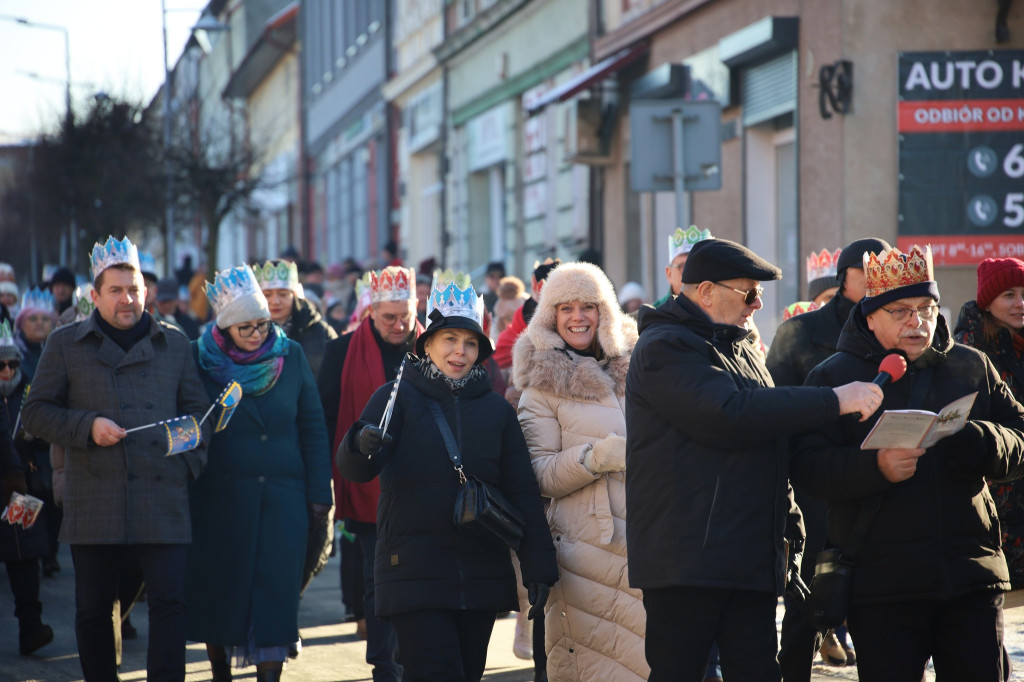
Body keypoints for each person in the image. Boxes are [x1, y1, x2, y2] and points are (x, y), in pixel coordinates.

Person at [624, 237, 881, 681]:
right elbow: (729, 415)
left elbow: (770, 439)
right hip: (688, 563)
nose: (758, 304)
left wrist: (791, 525)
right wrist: (833, 400)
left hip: (747, 558)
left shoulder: (740, 346)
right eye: (748, 292)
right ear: (705, 291)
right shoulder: (664, 347)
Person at [790, 244, 1024, 680]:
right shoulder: (832, 378)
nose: (918, 322)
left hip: (970, 575)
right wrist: (874, 469)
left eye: (926, 307)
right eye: (900, 311)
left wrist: (977, 439)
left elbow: (1020, 438)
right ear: (871, 314)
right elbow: (807, 468)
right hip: (882, 587)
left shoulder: (971, 366)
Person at [337, 271, 558, 682]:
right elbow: (354, 469)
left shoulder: (497, 412)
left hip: (480, 575)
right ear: (428, 344)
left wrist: (538, 567)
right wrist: (360, 442)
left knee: (468, 674)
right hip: (412, 573)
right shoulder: (394, 396)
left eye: (470, 342)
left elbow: (523, 491)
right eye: (450, 340)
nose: (460, 351)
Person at [21, 235, 210, 682]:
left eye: (135, 289)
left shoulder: (176, 344)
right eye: (116, 290)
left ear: (147, 291)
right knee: (92, 609)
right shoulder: (66, 343)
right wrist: (87, 427)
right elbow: (35, 412)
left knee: (170, 602)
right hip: (95, 494)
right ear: (95, 295)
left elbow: (201, 417)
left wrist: (184, 462)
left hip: (161, 495)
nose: (128, 299)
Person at [186, 263, 332, 682]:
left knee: (276, 594)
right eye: (245, 327)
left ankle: (270, 675)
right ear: (225, 328)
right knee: (222, 590)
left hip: (283, 498)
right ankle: (219, 673)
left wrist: (319, 492)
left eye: (263, 324)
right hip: (220, 497)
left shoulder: (291, 354)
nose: (256, 333)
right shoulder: (201, 358)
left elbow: (313, 427)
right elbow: (192, 421)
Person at [513, 262, 647, 681]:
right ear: (550, 316)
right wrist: (594, 458)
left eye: (587, 306)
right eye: (565, 307)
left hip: (650, 540)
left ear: (604, 310)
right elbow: (537, 474)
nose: (577, 317)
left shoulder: (638, 367)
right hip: (584, 549)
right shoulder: (540, 387)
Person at [766, 237, 891, 676]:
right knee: (807, 604)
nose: (878, 278)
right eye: (868, 269)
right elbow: (777, 411)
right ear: (845, 278)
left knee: (882, 611)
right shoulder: (799, 332)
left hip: (879, 489)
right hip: (814, 491)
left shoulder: (896, 332)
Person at [316, 265, 423, 682]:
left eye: (405, 317)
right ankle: (384, 664)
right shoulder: (342, 352)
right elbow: (326, 417)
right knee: (377, 578)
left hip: (420, 483)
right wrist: (338, 469)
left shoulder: (432, 344)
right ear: (370, 313)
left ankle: (411, 660)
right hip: (365, 484)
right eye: (388, 318)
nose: (399, 326)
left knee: (417, 578)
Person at [955, 257, 1024, 591]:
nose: (1020, 303)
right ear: (987, 300)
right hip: (994, 497)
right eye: (1009, 294)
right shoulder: (969, 351)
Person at [0, 320, 54, 656]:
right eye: (0, 365)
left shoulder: (29, 392)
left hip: (22, 487)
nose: (7, 371)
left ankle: (30, 628)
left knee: (25, 556)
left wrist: (37, 438)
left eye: (12, 365)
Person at [255, 259, 337, 376]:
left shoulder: (321, 331)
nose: (275, 301)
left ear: (294, 295)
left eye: (283, 294)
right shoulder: (247, 333)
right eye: (267, 295)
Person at [652, 226, 712, 308]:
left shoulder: (723, 313)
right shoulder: (651, 316)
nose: (690, 273)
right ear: (669, 274)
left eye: (697, 265)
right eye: (683, 266)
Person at [14, 288, 58, 381]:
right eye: (33, 319)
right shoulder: (10, 354)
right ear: (22, 324)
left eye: (45, 319)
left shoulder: (60, 351)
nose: (39, 323)